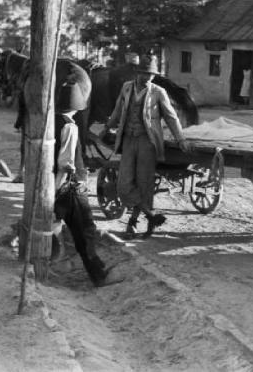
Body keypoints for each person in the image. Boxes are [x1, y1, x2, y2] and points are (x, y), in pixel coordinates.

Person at [101, 55, 191, 240]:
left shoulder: (158, 92)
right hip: (128, 140)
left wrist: (180, 139)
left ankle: (133, 223)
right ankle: (150, 216)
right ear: (137, 72)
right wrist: (107, 128)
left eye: (151, 74)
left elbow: (171, 117)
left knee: (145, 184)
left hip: (147, 142)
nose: (148, 77)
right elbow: (118, 111)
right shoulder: (126, 87)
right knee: (123, 185)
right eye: (145, 73)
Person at [54, 79, 123, 287]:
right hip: (68, 186)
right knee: (86, 231)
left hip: (52, 185)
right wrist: (75, 178)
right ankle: (99, 275)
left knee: (52, 227)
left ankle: (55, 267)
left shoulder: (52, 121)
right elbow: (65, 161)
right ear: (78, 106)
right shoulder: (70, 126)